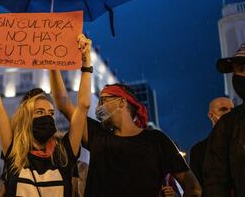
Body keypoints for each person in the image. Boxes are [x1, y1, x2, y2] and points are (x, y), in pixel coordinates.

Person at [49, 73, 202, 196]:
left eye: (103, 101)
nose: (98, 107)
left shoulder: (157, 140)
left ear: (122, 102)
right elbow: (63, 104)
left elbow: (193, 187)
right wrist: (53, 65)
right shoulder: (97, 135)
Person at [0, 34, 91, 197]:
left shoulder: (64, 151)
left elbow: (84, 106)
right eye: (39, 112)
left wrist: (86, 62)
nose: (47, 117)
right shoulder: (14, 149)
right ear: (26, 118)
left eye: (51, 113)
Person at [203, 43, 245, 196]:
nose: (239, 77)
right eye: (237, 71)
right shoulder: (228, 125)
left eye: (244, 69)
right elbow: (215, 181)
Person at [189, 97, 234, 186]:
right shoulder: (199, 151)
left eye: (232, 110)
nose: (229, 113)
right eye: (223, 109)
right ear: (211, 115)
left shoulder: (242, 143)